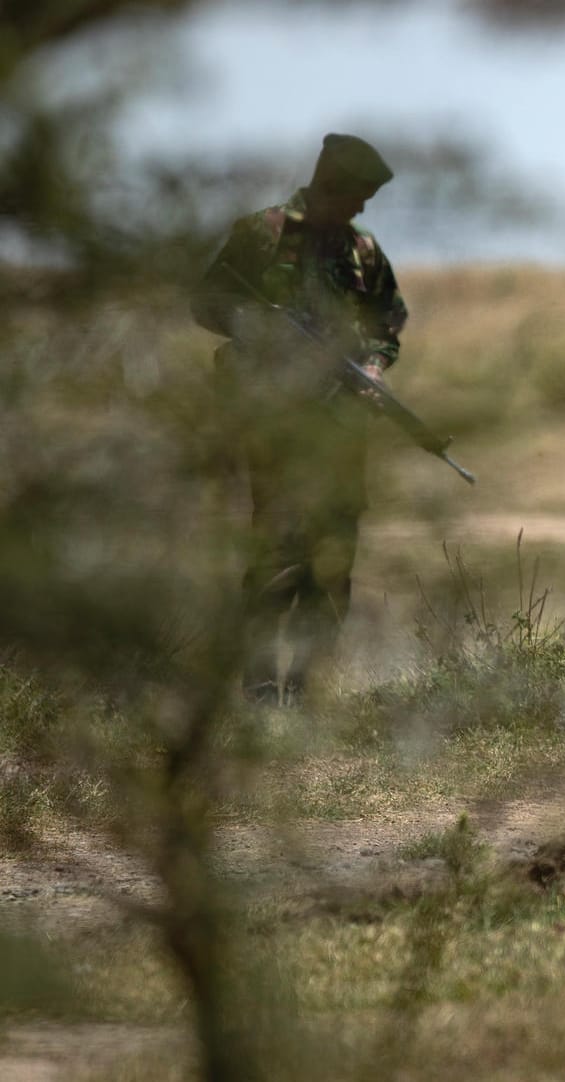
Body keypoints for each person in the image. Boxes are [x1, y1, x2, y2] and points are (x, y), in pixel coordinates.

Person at [191, 133, 408, 706]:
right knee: (279, 551)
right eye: (358, 193)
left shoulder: (362, 249)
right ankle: (261, 689)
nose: (363, 207)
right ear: (331, 183)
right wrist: (263, 331)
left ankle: (310, 688)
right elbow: (207, 303)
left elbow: (388, 322)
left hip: (341, 425)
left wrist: (374, 366)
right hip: (277, 421)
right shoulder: (261, 234)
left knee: (333, 556)